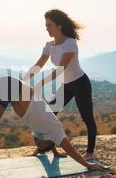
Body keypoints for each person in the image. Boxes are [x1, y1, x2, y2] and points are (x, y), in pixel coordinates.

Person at [23, 9, 98, 161]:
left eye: (49, 25)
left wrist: (41, 82)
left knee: (87, 118)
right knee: (49, 114)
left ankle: (90, 152)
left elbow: (60, 70)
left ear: (59, 26)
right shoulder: (49, 45)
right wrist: (22, 81)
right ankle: (51, 150)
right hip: (66, 85)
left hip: (80, 83)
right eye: (46, 25)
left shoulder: (70, 43)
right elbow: (38, 65)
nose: (46, 28)